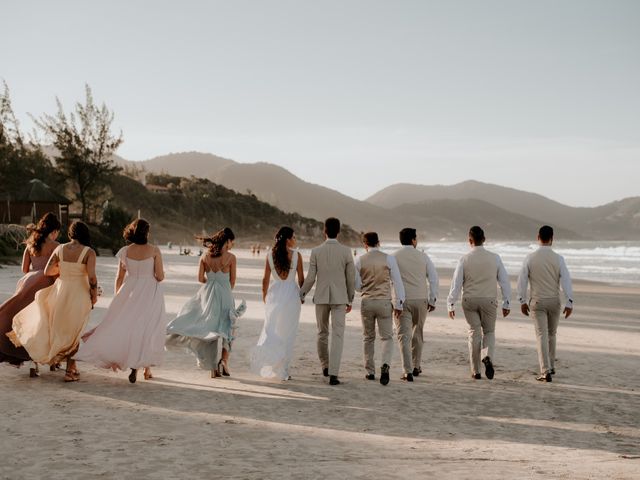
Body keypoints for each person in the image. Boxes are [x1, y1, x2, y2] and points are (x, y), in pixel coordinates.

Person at [76, 219, 166, 384]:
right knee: (146, 326)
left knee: (128, 326)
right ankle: (143, 368)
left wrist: (120, 296)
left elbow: (119, 277)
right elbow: (159, 276)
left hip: (129, 289)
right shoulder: (154, 251)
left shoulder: (125, 250)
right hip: (149, 292)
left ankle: (138, 365)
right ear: (146, 233)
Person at [8, 221, 98, 382]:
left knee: (57, 326)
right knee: (75, 329)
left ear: (70, 234)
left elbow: (48, 271)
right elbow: (91, 277)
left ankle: (66, 365)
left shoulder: (60, 248)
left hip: (60, 290)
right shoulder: (89, 252)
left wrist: (64, 271)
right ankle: (70, 371)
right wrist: (94, 295)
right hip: (79, 292)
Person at [166, 227, 245, 378]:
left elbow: (200, 279)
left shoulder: (205, 256)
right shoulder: (231, 258)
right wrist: (224, 289)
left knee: (210, 329)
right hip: (225, 294)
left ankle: (213, 369)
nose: (232, 245)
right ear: (227, 241)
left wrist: (211, 282)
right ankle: (224, 361)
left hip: (207, 295)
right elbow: (232, 281)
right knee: (227, 328)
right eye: (231, 242)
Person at [447, 226, 511, 380]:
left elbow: (456, 284)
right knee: (489, 332)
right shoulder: (495, 258)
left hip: (469, 300)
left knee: (474, 333)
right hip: (489, 300)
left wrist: (451, 303)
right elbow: (504, 282)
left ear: (470, 241)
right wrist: (506, 302)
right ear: (484, 239)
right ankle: (487, 356)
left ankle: (476, 371)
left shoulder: (464, 259)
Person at [0, 213, 61, 374]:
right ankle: (46, 359)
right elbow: (56, 272)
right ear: (54, 231)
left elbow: (24, 269)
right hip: (46, 284)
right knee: (45, 323)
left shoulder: (31, 243)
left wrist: (35, 271)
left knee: (24, 319)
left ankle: (34, 363)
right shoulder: (56, 246)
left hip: (27, 282)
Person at [300, 217, 356, 386]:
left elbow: (310, 278)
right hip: (340, 298)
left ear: (324, 231)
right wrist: (350, 298)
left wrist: (302, 292)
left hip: (321, 297)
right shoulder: (346, 251)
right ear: (338, 231)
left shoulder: (316, 251)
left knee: (322, 333)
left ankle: (325, 366)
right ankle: (334, 374)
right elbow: (350, 278)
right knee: (338, 335)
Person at [517, 225, 574, 383]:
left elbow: (521, 281)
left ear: (538, 237)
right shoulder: (558, 258)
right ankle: (551, 366)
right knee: (552, 334)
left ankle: (545, 371)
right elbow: (566, 281)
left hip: (538, 301)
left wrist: (521, 300)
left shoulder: (530, 257)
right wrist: (569, 301)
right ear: (552, 239)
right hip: (554, 301)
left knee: (541, 335)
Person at [250, 227, 304, 380]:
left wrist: (264, 296)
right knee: (288, 333)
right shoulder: (296, 256)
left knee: (273, 330)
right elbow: (301, 279)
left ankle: (274, 365)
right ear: (287, 239)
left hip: (274, 295)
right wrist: (302, 296)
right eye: (294, 236)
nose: (295, 239)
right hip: (292, 296)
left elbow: (265, 279)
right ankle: (283, 369)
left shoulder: (270, 256)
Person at [355, 232, 405, 386]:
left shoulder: (359, 260)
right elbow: (397, 282)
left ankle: (370, 372)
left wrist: (365, 288)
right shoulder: (389, 258)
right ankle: (385, 365)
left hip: (367, 302)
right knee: (387, 337)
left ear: (365, 245)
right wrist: (399, 304)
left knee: (368, 337)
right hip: (384, 302)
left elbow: (356, 286)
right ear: (378, 242)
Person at [392, 227, 439, 381]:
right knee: (417, 333)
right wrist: (432, 299)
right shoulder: (423, 257)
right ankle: (416, 366)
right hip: (420, 300)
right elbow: (433, 279)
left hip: (402, 300)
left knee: (403, 336)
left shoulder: (393, 257)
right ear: (413, 240)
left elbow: (389, 280)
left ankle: (407, 371)